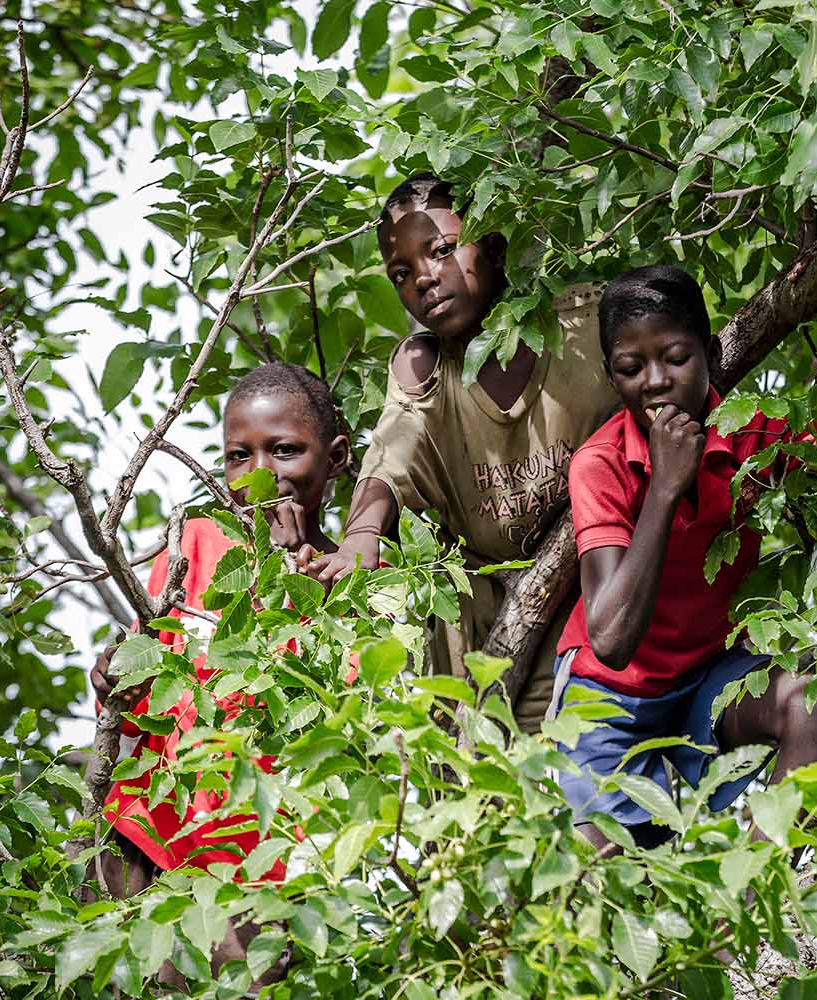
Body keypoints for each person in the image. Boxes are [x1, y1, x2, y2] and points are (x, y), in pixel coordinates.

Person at [300, 173, 621, 733]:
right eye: (402, 274)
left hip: (603, 608)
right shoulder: (424, 371)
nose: (424, 278)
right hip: (487, 640)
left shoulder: (586, 328)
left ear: (494, 250)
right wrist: (361, 537)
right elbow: (389, 462)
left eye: (443, 251)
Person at [552, 264, 817, 850]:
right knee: (600, 872)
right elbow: (611, 641)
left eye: (676, 358)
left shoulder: (751, 436)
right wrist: (665, 487)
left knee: (813, 700)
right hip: (608, 699)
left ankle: (767, 901)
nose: (656, 381)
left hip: (708, 680)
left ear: (711, 356)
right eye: (631, 369)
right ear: (612, 380)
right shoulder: (601, 463)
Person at [87, 361, 351, 963]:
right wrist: (113, 681)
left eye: (284, 451)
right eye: (239, 457)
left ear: (335, 457)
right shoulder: (196, 543)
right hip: (145, 842)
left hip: (261, 873)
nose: (260, 477)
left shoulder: (358, 584)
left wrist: (290, 580)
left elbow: (331, 728)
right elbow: (138, 701)